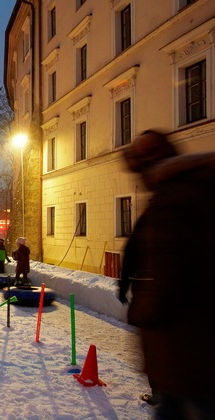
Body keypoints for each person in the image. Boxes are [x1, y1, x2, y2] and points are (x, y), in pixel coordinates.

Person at [118, 129, 215, 418]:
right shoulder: (198, 190)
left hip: (186, 351)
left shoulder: (171, 201)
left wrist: (140, 313)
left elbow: (169, 276)